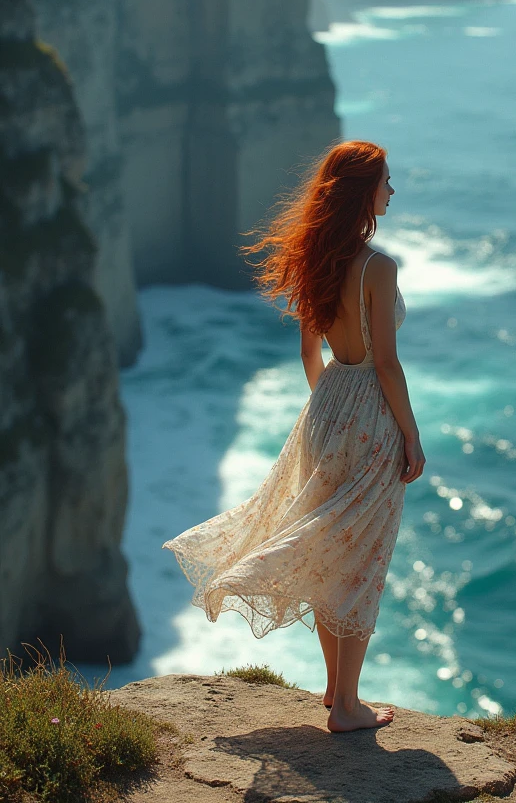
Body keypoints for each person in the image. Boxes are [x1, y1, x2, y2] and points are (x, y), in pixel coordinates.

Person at [163, 139, 426, 733]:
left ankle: (335, 690)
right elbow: (386, 363)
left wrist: (328, 410)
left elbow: (311, 351)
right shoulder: (378, 267)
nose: (392, 190)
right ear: (364, 192)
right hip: (369, 413)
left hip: (326, 409)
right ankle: (350, 707)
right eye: (386, 181)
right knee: (359, 560)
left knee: (330, 550)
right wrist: (409, 436)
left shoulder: (318, 258)